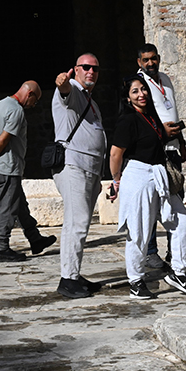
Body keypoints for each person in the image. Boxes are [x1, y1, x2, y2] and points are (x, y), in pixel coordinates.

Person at [108, 75, 186, 299]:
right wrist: (116, 180)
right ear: (128, 98)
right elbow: (116, 153)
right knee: (140, 231)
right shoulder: (127, 120)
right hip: (138, 174)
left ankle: (178, 272)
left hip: (158, 173)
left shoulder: (151, 117)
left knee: (182, 220)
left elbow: (153, 141)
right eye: (135, 91)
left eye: (143, 89)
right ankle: (136, 281)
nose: (141, 94)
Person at [135, 43, 186, 269]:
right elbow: (142, 116)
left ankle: (177, 249)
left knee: (177, 199)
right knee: (154, 202)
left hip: (172, 148)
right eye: (146, 60)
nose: (151, 63)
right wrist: (161, 132)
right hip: (154, 150)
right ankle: (151, 252)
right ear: (139, 62)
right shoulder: (139, 84)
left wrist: (181, 142)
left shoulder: (165, 79)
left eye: (154, 58)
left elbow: (171, 111)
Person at [0, 81, 57, 262]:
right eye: (35, 102)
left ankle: (35, 239)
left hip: (1, 167)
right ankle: (1, 248)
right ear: (29, 95)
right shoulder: (17, 111)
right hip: (9, 168)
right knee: (7, 207)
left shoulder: (0, 105)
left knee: (20, 205)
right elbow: (4, 139)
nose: (33, 106)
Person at [52, 53, 107, 299]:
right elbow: (63, 89)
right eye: (85, 67)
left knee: (80, 223)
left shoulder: (88, 99)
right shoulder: (72, 89)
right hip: (74, 165)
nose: (90, 72)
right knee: (77, 223)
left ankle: (74, 273)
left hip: (90, 167)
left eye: (94, 68)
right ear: (76, 69)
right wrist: (62, 81)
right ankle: (68, 279)